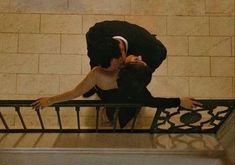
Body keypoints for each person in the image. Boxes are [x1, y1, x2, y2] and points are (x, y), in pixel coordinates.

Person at [32, 62, 202, 128]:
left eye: (137, 60)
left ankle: (107, 115)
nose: (138, 57)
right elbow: (155, 102)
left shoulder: (101, 73)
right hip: (127, 101)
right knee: (125, 112)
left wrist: (50, 100)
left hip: (109, 99)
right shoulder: (139, 90)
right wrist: (179, 101)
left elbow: (75, 93)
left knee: (110, 110)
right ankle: (111, 117)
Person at [84, 20, 167, 97]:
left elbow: (161, 53)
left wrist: (140, 70)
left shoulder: (150, 47)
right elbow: (93, 61)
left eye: (119, 66)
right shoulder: (94, 35)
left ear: (122, 50)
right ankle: (95, 87)